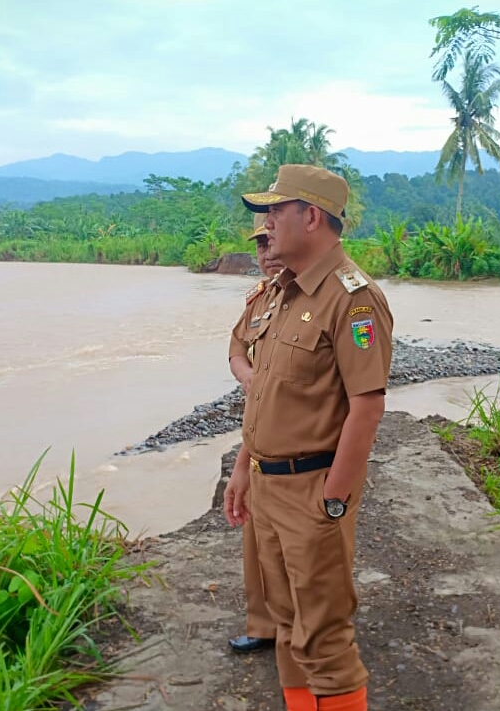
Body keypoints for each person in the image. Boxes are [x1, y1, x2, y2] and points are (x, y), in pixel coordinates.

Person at [223, 164, 394, 711]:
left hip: (312, 489)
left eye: (275, 210)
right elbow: (271, 394)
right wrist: (244, 467)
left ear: (312, 216)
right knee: (287, 623)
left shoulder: (353, 298)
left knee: (323, 636)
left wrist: (335, 498)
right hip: (268, 485)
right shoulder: (285, 293)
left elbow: (367, 405)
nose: (266, 223)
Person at [226, 214, 286, 653]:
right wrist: (249, 377)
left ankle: (303, 635)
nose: (266, 254)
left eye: (271, 242)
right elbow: (235, 348)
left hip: (304, 446)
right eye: (260, 246)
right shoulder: (263, 299)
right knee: (256, 540)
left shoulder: (328, 298)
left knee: (299, 551)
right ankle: (263, 626)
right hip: (260, 434)